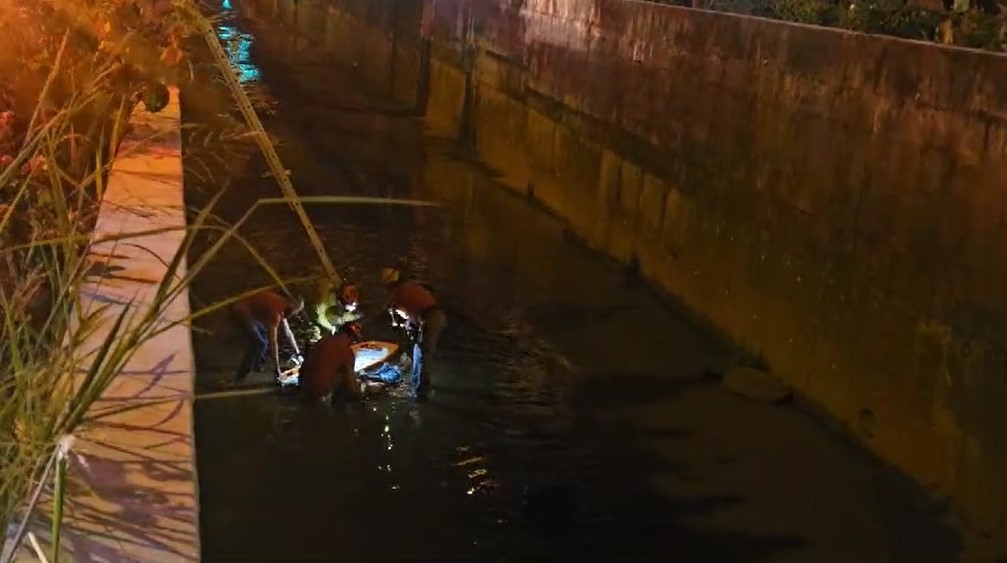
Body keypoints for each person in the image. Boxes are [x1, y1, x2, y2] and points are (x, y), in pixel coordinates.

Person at [381, 267, 446, 399]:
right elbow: (413, 311)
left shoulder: (396, 295)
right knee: (419, 351)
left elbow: (402, 315)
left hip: (429, 319)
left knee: (423, 355)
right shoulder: (410, 287)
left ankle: (421, 392)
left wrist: (397, 323)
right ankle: (416, 384)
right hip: (437, 316)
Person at [229, 289, 305, 382]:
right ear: (292, 305)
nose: (296, 314)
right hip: (241, 311)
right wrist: (277, 368)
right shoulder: (276, 311)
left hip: (249, 312)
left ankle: (257, 365)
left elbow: (288, 333)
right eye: (296, 311)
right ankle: (240, 376)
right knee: (259, 343)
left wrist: (297, 353)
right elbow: (273, 341)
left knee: (263, 335)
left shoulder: (283, 305)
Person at [299, 321, 364, 404]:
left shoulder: (323, 341)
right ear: (353, 338)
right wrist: (361, 399)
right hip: (318, 390)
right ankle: (336, 407)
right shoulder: (346, 350)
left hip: (303, 385)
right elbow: (352, 382)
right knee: (346, 378)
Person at [307, 274, 363, 343]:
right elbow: (335, 319)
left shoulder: (337, 295)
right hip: (323, 326)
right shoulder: (332, 306)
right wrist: (354, 316)